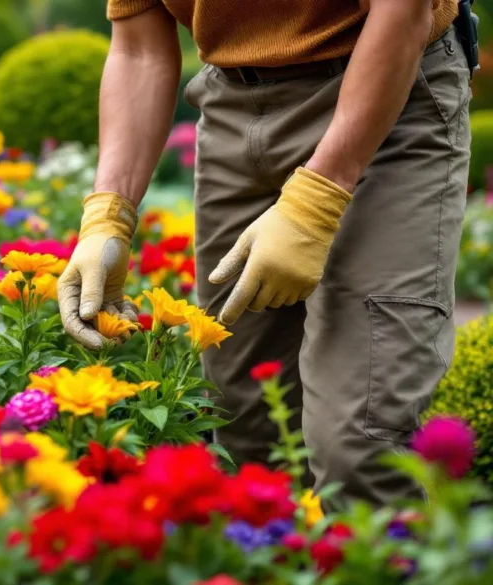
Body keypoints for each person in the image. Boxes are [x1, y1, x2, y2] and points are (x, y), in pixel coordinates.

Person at [58, 0, 475, 506]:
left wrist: (316, 200)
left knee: (360, 448)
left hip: (389, 97)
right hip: (232, 109)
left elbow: (401, 12)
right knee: (248, 441)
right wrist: (108, 214)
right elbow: (139, 50)